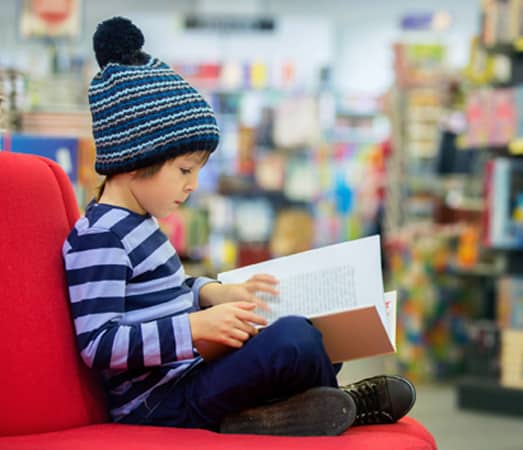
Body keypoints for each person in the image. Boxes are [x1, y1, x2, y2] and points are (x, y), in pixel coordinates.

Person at [62, 16, 415, 436]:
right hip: (158, 402)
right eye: (184, 170)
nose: (193, 185)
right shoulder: (100, 236)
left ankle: (277, 414)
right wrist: (194, 329)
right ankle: (344, 405)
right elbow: (98, 344)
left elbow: (164, 293)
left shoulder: (140, 223)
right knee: (292, 343)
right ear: (134, 160)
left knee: (311, 333)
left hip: (190, 373)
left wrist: (214, 292)